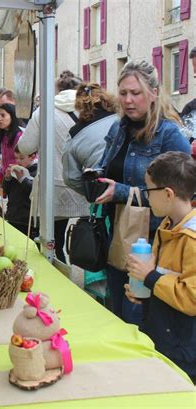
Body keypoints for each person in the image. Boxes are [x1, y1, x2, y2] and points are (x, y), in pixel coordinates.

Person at [95, 60, 191, 324]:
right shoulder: (118, 129)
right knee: (118, 315)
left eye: (135, 93)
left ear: (153, 94)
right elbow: (108, 167)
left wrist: (123, 192)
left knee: (139, 320)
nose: (127, 100)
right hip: (117, 234)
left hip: (152, 243)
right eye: (123, 93)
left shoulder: (169, 134)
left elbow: (178, 196)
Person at [125, 151, 196, 384]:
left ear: (167, 194)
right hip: (162, 332)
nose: (146, 197)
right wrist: (143, 292)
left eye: (148, 190)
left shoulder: (191, 239)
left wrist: (150, 277)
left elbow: (191, 299)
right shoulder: (167, 226)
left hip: (184, 347)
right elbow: (163, 281)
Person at [18, 70, 89, 264]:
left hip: (51, 186)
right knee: (63, 238)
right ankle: (66, 275)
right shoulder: (87, 111)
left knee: (48, 241)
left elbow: (25, 146)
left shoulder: (45, 111)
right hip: (78, 186)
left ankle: (54, 277)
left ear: (56, 91)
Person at [62, 82, 118, 195]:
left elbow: (71, 178)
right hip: (132, 191)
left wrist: (92, 191)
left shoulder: (74, 134)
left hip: (103, 191)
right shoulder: (123, 119)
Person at [2, 145, 38, 238]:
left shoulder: (37, 171)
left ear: (32, 157)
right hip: (13, 216)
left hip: (27, 220)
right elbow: (5, 191)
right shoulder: (16, 170)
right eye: (16, 158)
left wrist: (22, 179)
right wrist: (7, 178)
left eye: (21, 158)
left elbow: (33, 191)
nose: (18, 161)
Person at [0, 103, 22, 185]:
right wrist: (1, 175)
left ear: (12, 116)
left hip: (17, 180)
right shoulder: (4, 136)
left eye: (3, 115)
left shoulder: (19, 136)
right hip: (7, 180)